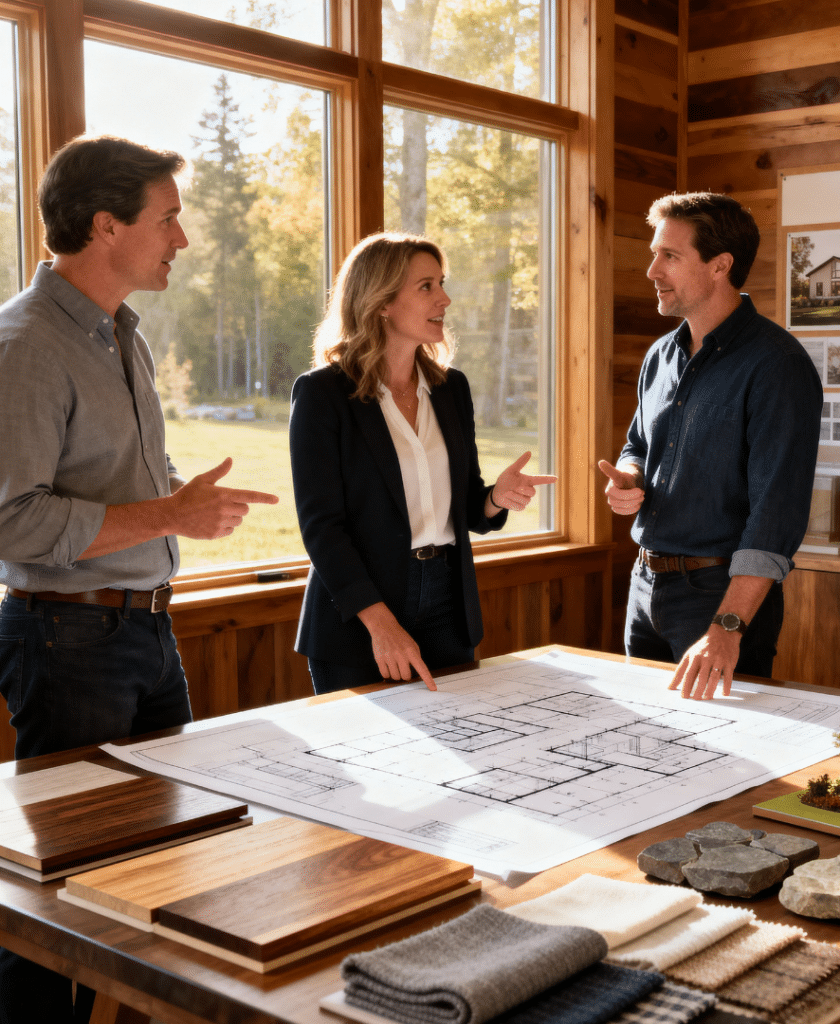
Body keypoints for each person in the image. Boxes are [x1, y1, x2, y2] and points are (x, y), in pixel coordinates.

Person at [0, 135, 278, 1024]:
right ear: (105, 225)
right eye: (168, 220)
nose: (182, 240)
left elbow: (108, 487)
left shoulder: (125, 336)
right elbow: (10, 520)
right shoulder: (27, 344)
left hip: (144, 636)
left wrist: (174, 508)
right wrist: (169, 516)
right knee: (62, 900)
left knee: (164, 870)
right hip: (68, 643)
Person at [290, 232, 555, 693]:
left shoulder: (452, 389)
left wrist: (496, 498)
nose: (445, 299)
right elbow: (322, 527)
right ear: (382, 302)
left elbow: (469, 508)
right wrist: (381, 624)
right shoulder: (322, 394)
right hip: (358, 618)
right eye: (426, 286)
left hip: (448, 609)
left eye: (442, 283)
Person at [599, 191, 822, 701]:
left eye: (669, 256)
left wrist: (728, 625)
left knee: (730, 764)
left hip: (719, 599)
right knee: (646, 748)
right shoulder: (661, 354)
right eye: (656, 254)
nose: (653, 270)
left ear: (721, 265)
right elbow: (638, 444)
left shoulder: (777, 365)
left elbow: (776, 514)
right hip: (645, 587)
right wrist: (631, 478)